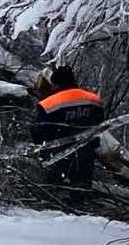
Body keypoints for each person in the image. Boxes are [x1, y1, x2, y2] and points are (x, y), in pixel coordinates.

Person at [30, 65, 104, 196]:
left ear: (55, 83)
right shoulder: (93, 99)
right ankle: (81, 209)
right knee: (82, 189)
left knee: (52, 191)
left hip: (58, 153)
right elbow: (99, 124)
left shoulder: (48, 104)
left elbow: (38, 132)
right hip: (86, 151)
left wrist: (41, 150)